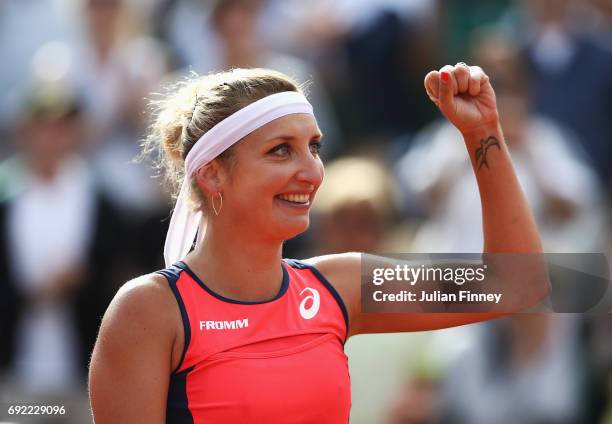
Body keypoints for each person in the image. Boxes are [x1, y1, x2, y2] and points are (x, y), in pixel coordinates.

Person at [88, 66, 549, 423]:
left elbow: (516, 284)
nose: (311, 172)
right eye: (281, 150)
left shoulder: (337, 285)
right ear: (212, 173)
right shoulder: (150, 310)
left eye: (314, 146)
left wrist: (482, 131)